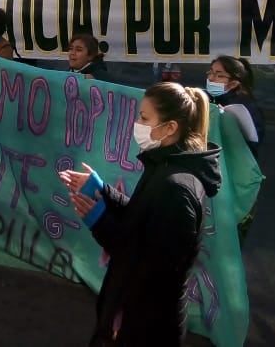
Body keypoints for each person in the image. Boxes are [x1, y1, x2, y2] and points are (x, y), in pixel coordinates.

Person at [59, 81, 222, 347]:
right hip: (133, 313)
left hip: (146, 325)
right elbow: (142, 218)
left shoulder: (177, 188)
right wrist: (104, 192)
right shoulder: (165, 166)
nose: (137, 124)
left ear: (170, 128)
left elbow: (150, 265)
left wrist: (101, 222)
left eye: (144, 118)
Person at [205, 55, 264, 158]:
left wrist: (226, 120)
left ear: (233, 84)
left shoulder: (244, 107)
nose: (211, 78)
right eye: (211, 72)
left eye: (219, 75)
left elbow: (250, 144)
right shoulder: (209, 98)